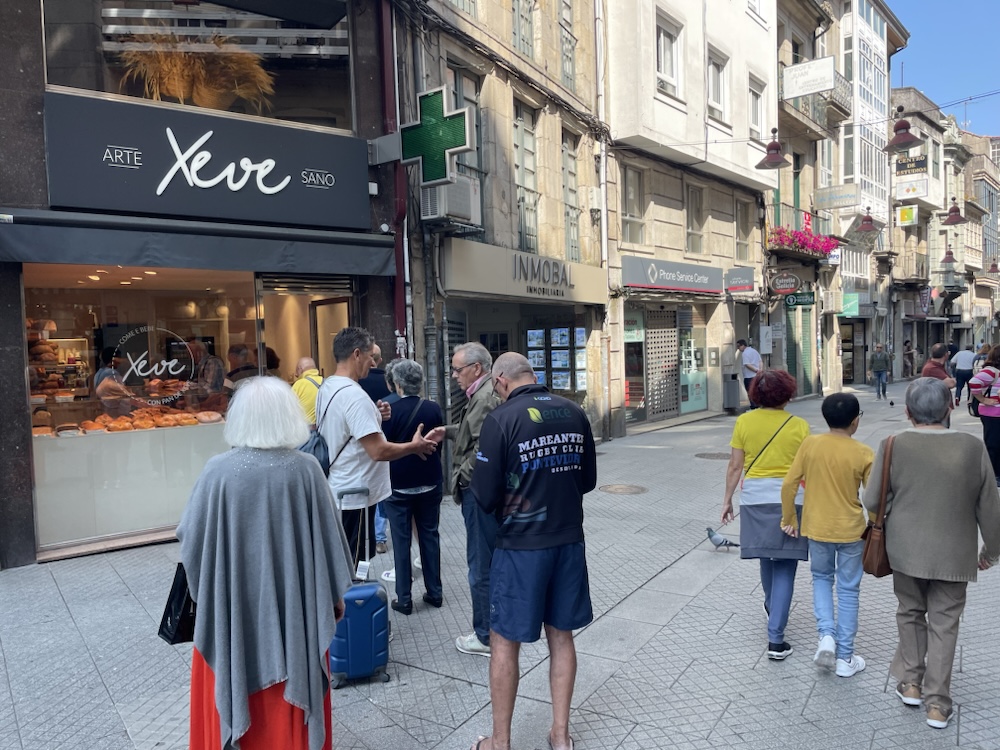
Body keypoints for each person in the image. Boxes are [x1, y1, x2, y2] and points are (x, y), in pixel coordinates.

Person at [176, 376, 356, 750]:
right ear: (289, 417)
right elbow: (330, 548)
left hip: (229, 622)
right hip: (297, 624)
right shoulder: (306, 471)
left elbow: (190, 540)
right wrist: (332, 601)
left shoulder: (217, 472)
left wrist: (212, 593)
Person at [470, 352, 597, 750]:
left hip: (521, 547)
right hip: (568, 541)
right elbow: (588, 480)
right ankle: (561, 735)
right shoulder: (574, 412)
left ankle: (500, 742)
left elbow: (484, 496)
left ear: (501, 380)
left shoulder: (500, 419)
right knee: (562, 636)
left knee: (504, 641)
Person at [862, 378, 1000, 730]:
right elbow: (989, 506)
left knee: (909, 611)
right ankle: (938, 703)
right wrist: (992, 550)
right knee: (945, 622)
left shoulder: (893, 443)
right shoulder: (972, 447)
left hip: (905, 549)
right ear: (950, 407)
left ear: (907, 411)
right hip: (955, 552)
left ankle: (911, 683)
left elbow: (873, 499)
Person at [315, 327, 444, 567]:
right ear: (356, 354)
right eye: (370, 356)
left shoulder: (328, 387)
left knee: (347, 561)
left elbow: (346, 427)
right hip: (356, 495)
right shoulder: (354, 396)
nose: (373, 363)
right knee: (356, 566)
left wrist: (375, 414)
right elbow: (378, 451)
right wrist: (413, 446)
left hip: (341, 488)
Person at [780, 393, 874, 678]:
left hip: (817, 527)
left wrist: (789, 518)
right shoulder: (864, 453)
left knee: (821, 579)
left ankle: (826, 636)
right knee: (848, 589)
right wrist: (876, 524)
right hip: (851, 530)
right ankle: (845, 657)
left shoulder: (810, 444)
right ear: (855, 421)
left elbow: (789, 483)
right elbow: (872, 498)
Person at [721, 369, 810, 661]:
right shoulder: (799, 426)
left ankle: (773, 607)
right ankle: (776, 638)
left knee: (765, 555)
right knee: (785, 563)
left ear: (756, 394)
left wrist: (727, 500)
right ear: (787, 394)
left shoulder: (744, 422)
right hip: (790, 499)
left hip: (755, 498)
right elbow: (807, 469)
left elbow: (735, 466)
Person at [445, 342, 502, 657]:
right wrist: (447, 431)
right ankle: (494, 630)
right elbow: (471, 431)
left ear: (476, 368)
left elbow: (483, 447)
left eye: (458, 369)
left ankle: (485, 636)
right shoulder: (484, 392)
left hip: (478, 493)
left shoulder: (484, 397)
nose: (454, 375)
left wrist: (463, 479)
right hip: (485, 491)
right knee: (487, 562)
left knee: (480, 565)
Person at [380, 359, 445, 615]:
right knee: (430, 535)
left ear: (397, 383)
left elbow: (384, 446)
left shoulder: (389, 411)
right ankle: (435, 592)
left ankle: (404, 598)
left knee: (401, 539)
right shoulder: (433, 408)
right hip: (429, 480)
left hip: (398, 484)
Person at [357, 344, 392, 554]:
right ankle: (380, 537)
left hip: (362, 443)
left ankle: (372, 536)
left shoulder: (356, 383)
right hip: (385, 441)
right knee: (382, 492)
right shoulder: (388, 381)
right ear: (379, 360)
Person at [969, 345, 1000, 486]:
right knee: (993, 444)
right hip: (992, 414)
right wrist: (983, 399)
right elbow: (974, 382)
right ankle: (993, 474)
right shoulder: (991, 371)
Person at [291, 357, 323, 425]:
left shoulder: (298, 385)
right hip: (323, 427)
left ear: (300, 369)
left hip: (306, 428)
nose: (296, 375)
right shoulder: (325, 382)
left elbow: (289, 409)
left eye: (296, 370)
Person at [736, 339, 762, 408]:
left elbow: (747, 364)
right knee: (756, 392)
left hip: (749, 377)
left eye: (738, 346)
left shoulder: (745, 353)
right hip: (757, 376)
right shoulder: (754, 351)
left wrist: (756, 370)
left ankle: (753, 407)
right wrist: (760, 370)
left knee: (750, 393)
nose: (738, 348)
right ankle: (758, 406)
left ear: (743, 345)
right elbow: (760, 361)